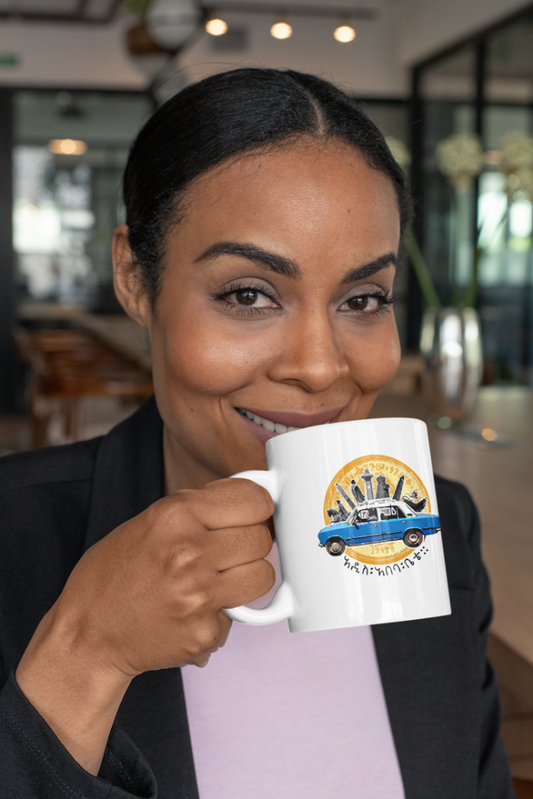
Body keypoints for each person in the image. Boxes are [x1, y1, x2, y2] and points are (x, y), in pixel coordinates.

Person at [0, 68, 515, 799]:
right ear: (134, 278)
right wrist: (87, 653)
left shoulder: (439, 522)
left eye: (362, 298)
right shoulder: (14, 535)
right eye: (248, 294)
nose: (317, 365)